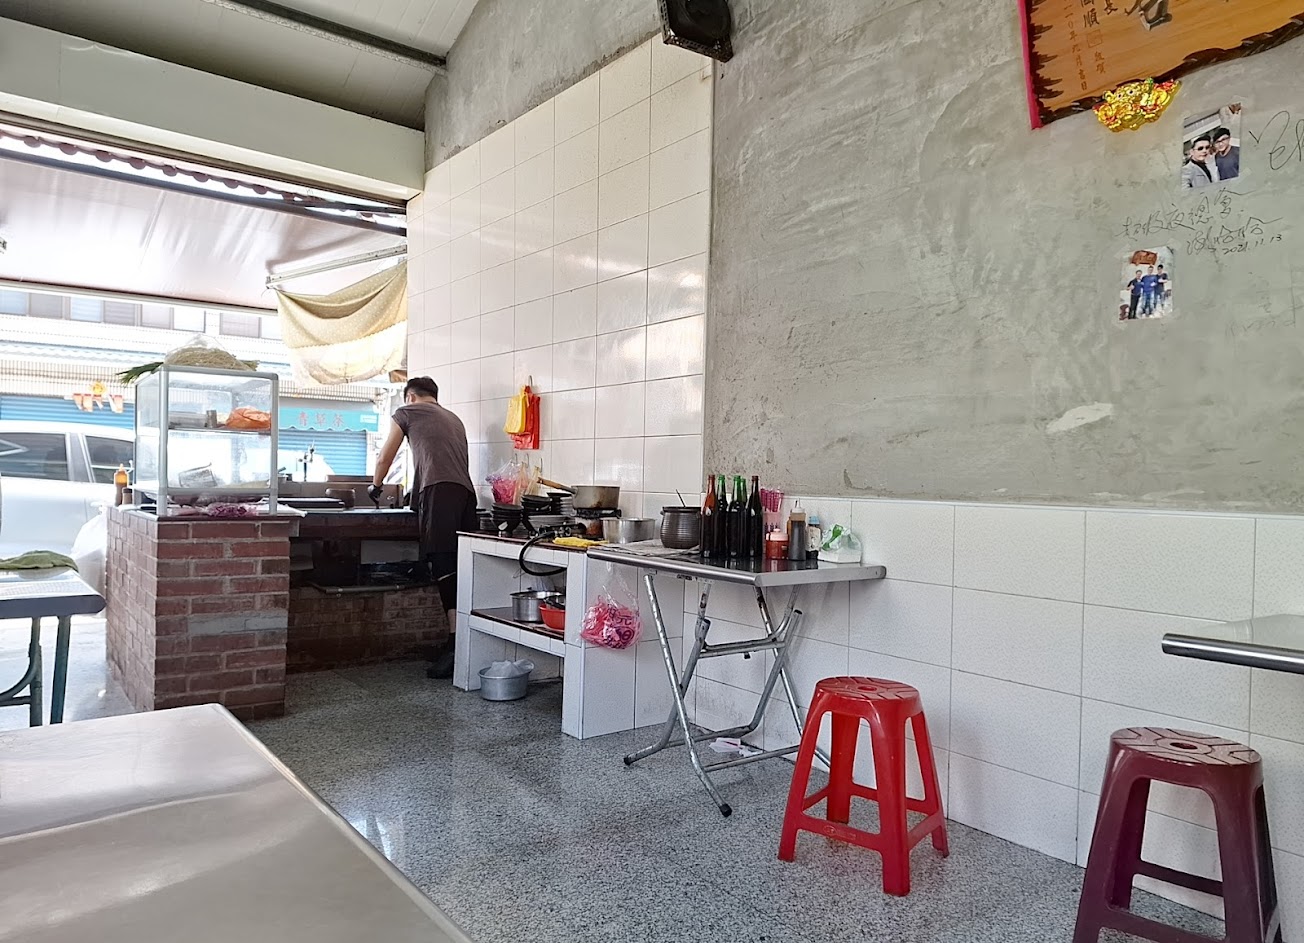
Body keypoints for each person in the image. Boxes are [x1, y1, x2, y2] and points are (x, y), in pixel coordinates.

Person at [371, 376, 477, 679]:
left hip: (439, 492)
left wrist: (375, 485)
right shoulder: (453, 418)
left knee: (443, 565)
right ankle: (460, 641)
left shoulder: (407, 412)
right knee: (459, 567)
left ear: (410, 397)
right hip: (465, 495)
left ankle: (455, 646)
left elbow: (385, 456)